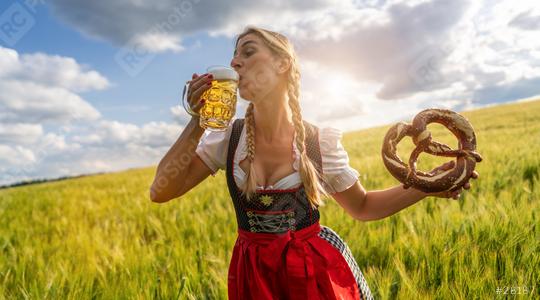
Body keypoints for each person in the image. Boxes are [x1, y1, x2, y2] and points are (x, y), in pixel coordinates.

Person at [150, 26, 479, 300]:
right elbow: (160, 192)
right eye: (234, 56)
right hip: (253, 276)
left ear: (282, 63)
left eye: (248, 52)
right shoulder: (226, 139)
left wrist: (427, 184)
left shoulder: (317, 142)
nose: (235, 62)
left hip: (312, 273)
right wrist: (198, 120)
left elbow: (363, 207)